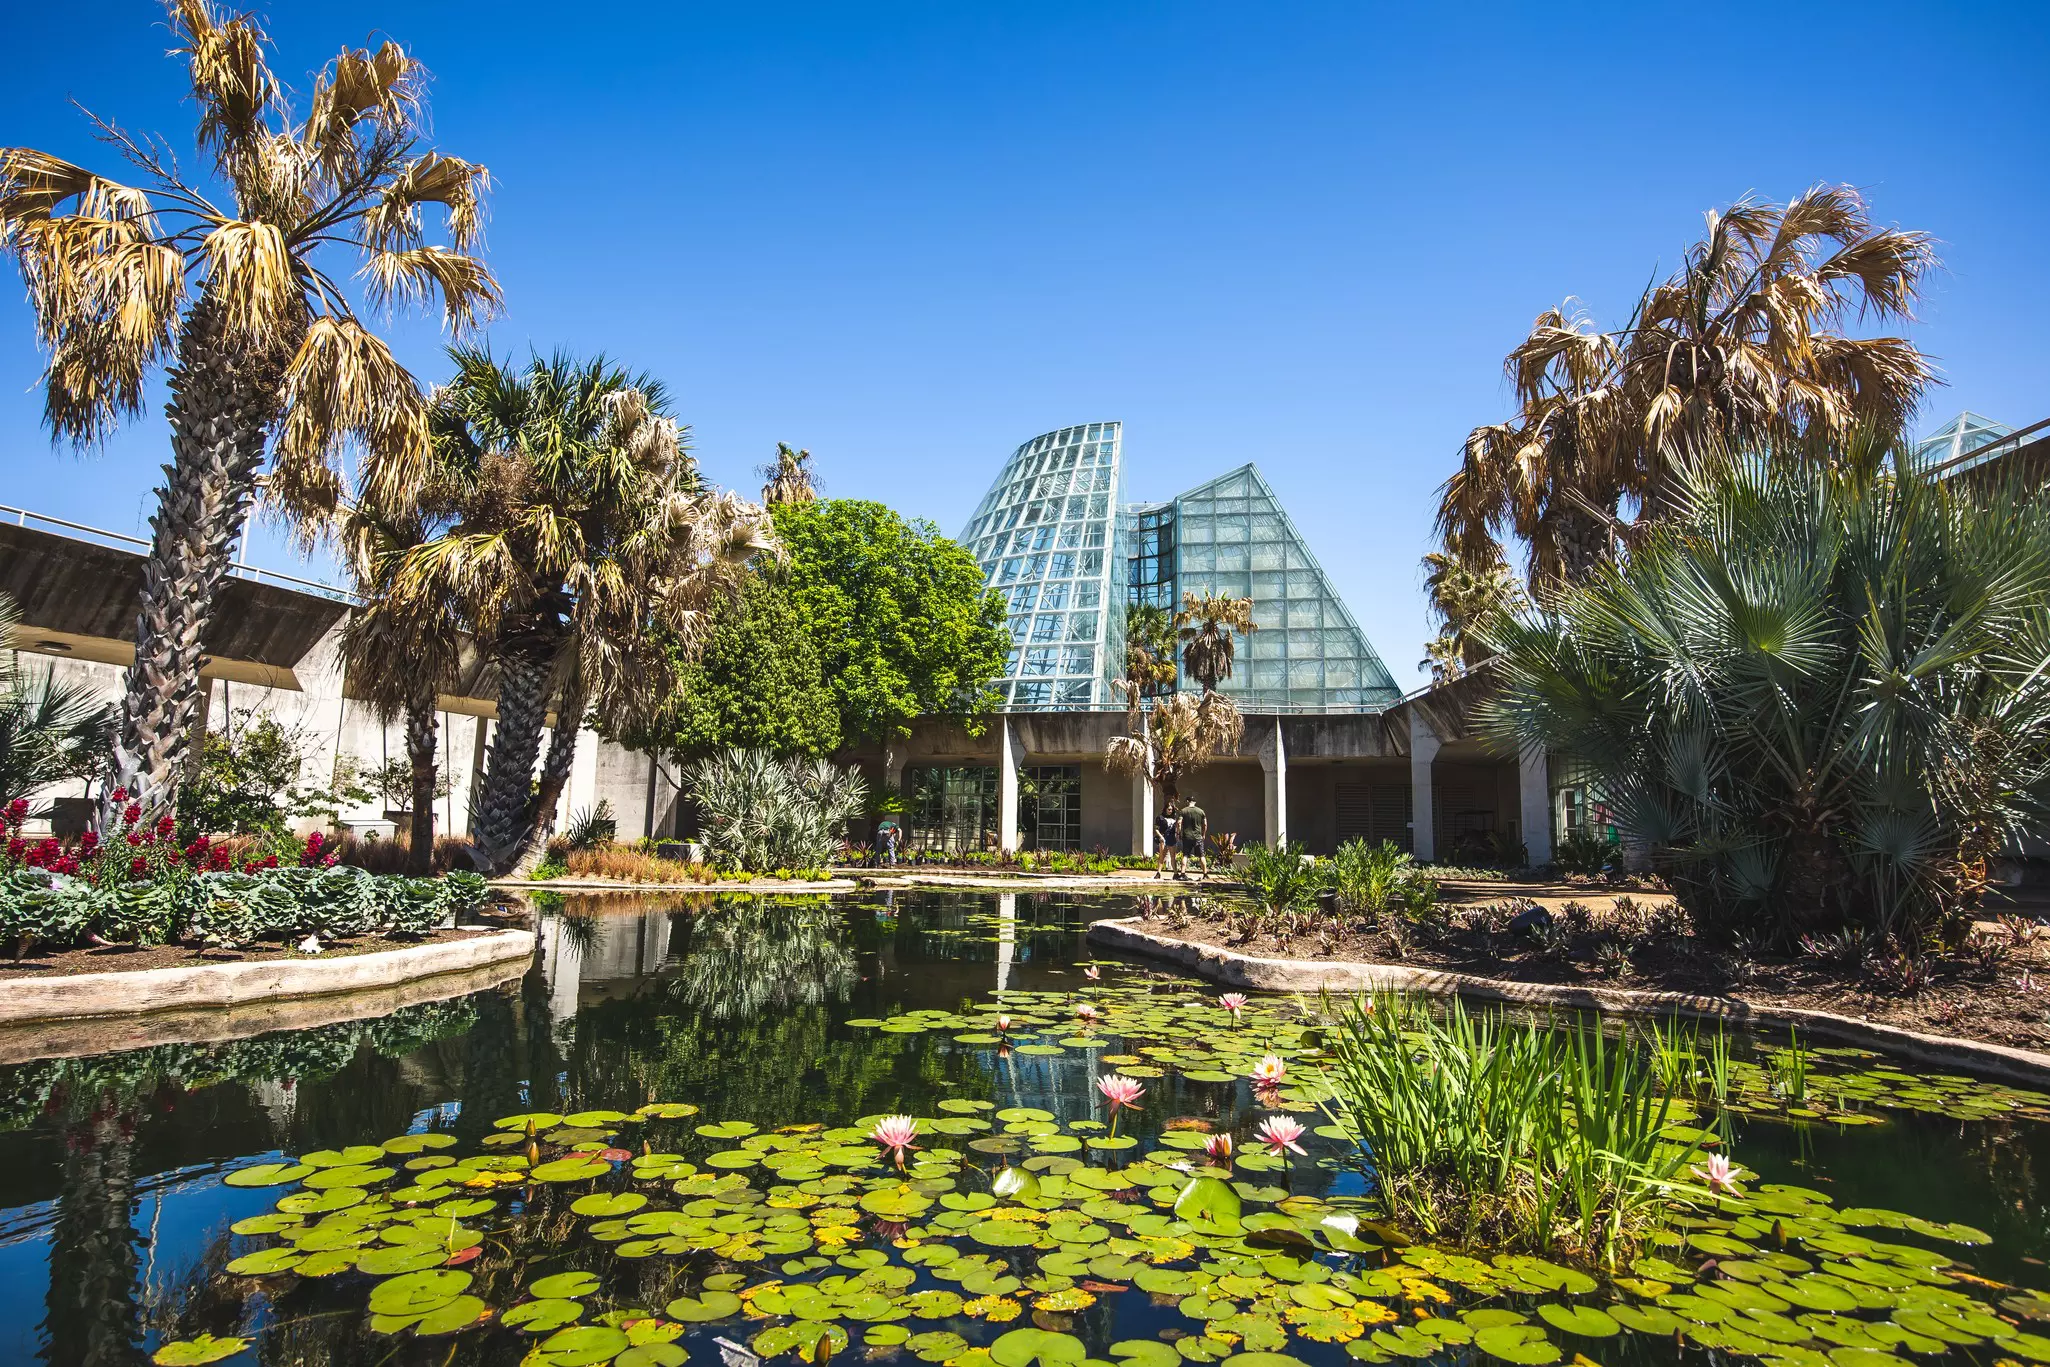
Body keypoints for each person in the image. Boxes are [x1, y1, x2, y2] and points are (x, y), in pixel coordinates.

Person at [1177, 794, 1209, 879]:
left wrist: (1179, 833)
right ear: (1194, 802)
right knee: (1201, 855)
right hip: (1198, 837)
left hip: (1187, 837)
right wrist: (1203, 834)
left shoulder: (1183, 811)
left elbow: (1179, 823)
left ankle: (1182, 874)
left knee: (1185, 855)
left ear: (1187, 801)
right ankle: (1205, 874)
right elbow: (1205, 824)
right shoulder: (1201, 811)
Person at [1154, 797, 1180, 878]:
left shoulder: (1174, 818)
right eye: (1169, 809)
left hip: (1172, 838)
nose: (1170, 811)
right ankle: (1158, 873)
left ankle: (1175, 873)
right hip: (1164, 837)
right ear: (1165, 809)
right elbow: (1156, 829)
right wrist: (1161, 837)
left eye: (1171, 809)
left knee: (1173, 856)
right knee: (1162, 855)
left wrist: (1177, 834)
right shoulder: (1160, 818)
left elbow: (1176, 828)